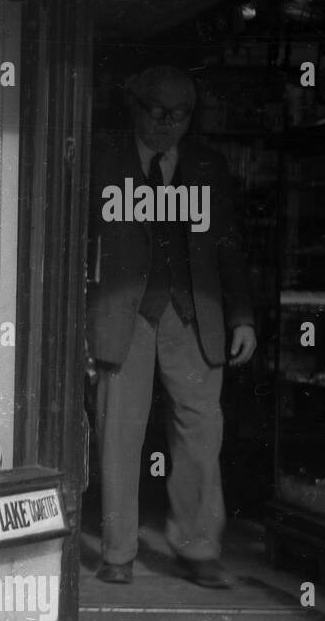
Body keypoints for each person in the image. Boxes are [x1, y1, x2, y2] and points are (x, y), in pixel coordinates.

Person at [87, 65, 257, 589]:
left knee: (202, 430)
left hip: (192, 316)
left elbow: (228, 247)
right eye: (157, 113)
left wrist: (242, 317)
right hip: (124, 316)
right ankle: (118, 552)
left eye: (179, 116)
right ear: (134, 106)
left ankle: (198, 549)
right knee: (118, 430)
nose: (167, 126)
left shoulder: (208, 165)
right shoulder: (102, 161)